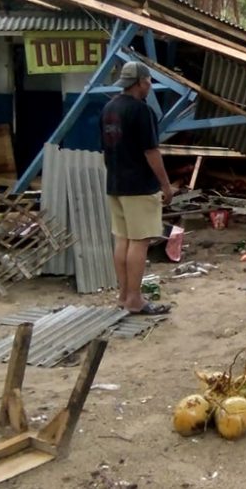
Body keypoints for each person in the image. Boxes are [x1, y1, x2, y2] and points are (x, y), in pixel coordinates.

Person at [101, 61, 174, 315]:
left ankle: (123, 296)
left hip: (115, 183)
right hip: (139, 186)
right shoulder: (141, 111)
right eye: (148, 81)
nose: (150, 86)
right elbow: (151, 152)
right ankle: (134, 299)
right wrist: (165, 185)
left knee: (122, 240)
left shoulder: (109, 108)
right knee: (140, 242)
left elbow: (106, 150)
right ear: (141, 82)